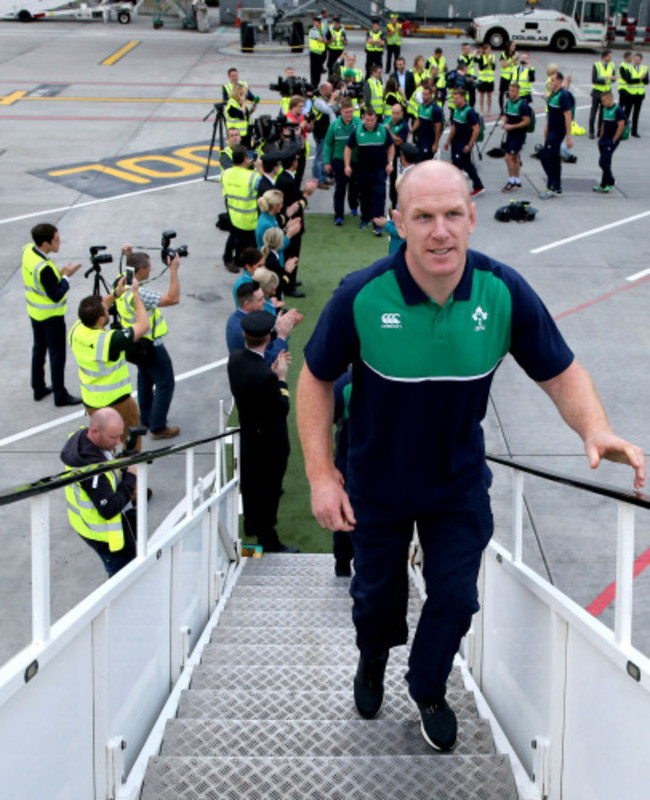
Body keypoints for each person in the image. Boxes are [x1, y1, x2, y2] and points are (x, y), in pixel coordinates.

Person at [296, 159, 645, 753]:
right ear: (399, 222)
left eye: (453, 215)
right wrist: (322, 474)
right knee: (376, 597)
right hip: (375, 484)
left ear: (472, 218)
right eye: (424, 217)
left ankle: (428, 686)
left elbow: (560, 371)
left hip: (456, 484)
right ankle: (372, 655)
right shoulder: (362, 296)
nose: (440, 231)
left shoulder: (501, 291)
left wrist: (596, 429)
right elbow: (314, 379)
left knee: (456, 597)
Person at [228, 310, 299, 554]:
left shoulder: (236, 359)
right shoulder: (265, 377)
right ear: (268, 337)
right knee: (269, 490)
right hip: (270, 443)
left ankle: (251, 523)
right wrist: (281, 378)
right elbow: (282, 409)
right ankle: (269, 540)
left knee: (251, 483)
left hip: (249, 435)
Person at [61, 407, 138, 578]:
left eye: (120, 435)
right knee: (123, 579)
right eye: (113, 437)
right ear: (95, 431)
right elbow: (108, 509)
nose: (118, 442)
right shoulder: (92, 471)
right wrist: (130, 476)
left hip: (87, 528)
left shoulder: (82, 440)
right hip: (107, 538)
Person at [69, 286, 149, 447]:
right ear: (100, 320)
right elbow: (143, 325)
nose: (109, 309)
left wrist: (115, 294)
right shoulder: (109, 341)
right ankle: (132, 470)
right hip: (118, 402)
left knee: (105, 442)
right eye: (106, 310)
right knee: (131, 441)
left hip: (92, 402)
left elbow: (97, 306)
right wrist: (135, 294)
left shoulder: (76, 329)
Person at [118, 248, 181, 440]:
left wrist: (128, 253)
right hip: (151, 344)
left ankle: (145, 418)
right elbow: (173, 299)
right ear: (140, 271)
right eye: (148, 268)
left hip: (134, 343)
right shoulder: (139, 295)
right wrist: (173, 270)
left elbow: (127, 266)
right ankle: (158, 425)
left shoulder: (122, 281)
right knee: (165, 383)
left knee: (145, 379)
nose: (151, 271)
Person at [22, 223, 83, 407]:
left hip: (35, 313)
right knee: (57, 355)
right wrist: (67, 276)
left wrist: (59, 273)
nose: (59, 242)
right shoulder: (44, 268)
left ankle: (38, 388)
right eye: (56, 240)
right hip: (51, 316)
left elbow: (43, 282)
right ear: (45, 243)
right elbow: (56, 294)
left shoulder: (28, 251)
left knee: (39, 349)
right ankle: (60, 395)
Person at [344, 107, 394, 236]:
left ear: (376, 119)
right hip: (363, 169)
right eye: (367, 120)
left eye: (372, 120)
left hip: (379, 170)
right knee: (364, 195)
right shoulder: (357, 131)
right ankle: (365, 218)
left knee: (379, 195)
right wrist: (347, 165)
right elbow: (348, 148)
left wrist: (390, 163)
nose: (369, 122)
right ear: (363, 118)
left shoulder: (383, 130)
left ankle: (378, 223)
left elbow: (391, 146)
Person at [226, 281, 301, 363]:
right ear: (247, 304)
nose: (264, 302)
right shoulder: (246, 330)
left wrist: (279, 325)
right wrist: (282, 337)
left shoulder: (234, 318)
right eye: (260, 299)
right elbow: (268, 360)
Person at [276, 150, 317, 296]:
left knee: (292, 252)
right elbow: (296, 204)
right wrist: (306, 194)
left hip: (289, 221)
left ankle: (291, 280)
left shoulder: (285, 178)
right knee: (292, 253)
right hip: (291, 223)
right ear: (294, 163)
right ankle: (289, 286)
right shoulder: (287, 181)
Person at [221, 145, 260, 268]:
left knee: (234, 239)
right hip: (250, 219)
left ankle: (229, 259)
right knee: (250, 246)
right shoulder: (254, 177)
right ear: (245, 159)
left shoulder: (225, 173)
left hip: (233, 214)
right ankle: (246, 264)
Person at [324, 99, 361, 225]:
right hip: (339, 161)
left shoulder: (358, 124)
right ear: (341, 112)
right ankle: (339, 215)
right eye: (346, 112)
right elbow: (328, 144)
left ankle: (354, 206)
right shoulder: (334, 126)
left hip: (355, 161)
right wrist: (327, 162)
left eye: (351, 112)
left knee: (354, 186)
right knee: (340, 187)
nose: (349, 115)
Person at [444, 88, 484, 197]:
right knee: (467, 165)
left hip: (464, 143)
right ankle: (478, 186)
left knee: (457, 166)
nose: (454, 100)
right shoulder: (456, 110)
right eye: (453, 98)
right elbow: (454, 127)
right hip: (455, 142)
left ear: (463, 98)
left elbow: (476, 129)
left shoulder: (469, 112)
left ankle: (457, 189)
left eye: (456, 98)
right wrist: (448, 141)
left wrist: (469, 144)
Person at [539, 70, 573, 199]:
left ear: (559, 81)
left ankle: (552, 185)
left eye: (553, 80)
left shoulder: (563, 96)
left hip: (558, 131)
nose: (551, 83)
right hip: (551, 129)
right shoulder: (554, 94)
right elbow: (551, 114)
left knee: (546, 157)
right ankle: (556, 186)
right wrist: (547, 129)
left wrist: (569, 137)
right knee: (554, 159)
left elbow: (568, 116)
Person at [500, 82, 531, 192]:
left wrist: (512, 126)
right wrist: (504, 122)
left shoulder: (522, 105)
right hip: (510, 133)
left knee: (508, 157)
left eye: (513, 91)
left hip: (519, 134)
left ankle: (511, 180)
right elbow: (505, 115)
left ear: (518, 91)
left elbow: (527, 121)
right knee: (515, 156)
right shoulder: (508, 103)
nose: (511, 93)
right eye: (510, 90)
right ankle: (517, 180)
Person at [593, 91, 626, 194]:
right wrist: (601, 136)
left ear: (609, 99)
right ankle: (604, 184)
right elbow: (604, 123)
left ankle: (610, 180)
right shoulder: (605, 109)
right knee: (606, 162)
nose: (602, 103)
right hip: (604, 139)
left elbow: (621, 125)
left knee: (603, 161)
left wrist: (614, 139)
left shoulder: (618, 110)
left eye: (603, 101)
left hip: (611, 140)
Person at [312, 82, 339, 188]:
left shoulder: (326, 100)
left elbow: (335, 109)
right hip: (321, 132)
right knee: (320, 156)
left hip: (326, 132)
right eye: (330, 90)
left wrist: (337, 101)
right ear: (323, 89)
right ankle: (318, 180)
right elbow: (328, 110)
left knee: (325, 156)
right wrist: (333, 98)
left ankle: (323, 177)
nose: (332, 92)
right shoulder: (318, 101)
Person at [385, 103, 410, 208]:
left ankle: (395, 203)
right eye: (393, 113)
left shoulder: (404, 126)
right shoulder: (387, 121)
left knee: (395, 179)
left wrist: (389, 131)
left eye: (397, 113)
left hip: (397, 156)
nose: (395, 115)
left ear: (402, 113)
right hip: (385, 153)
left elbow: (399, 141)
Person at [410, 84, 443, 162]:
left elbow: (438, 127)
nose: (423, 96)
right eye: (423, 94)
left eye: (426, 94)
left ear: (431, 95)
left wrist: (436, 143)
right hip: (420, 138)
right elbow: (418, 120)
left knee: (425, 162)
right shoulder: (421, 106)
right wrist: (411, 131)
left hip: (429, 141)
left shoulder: (435, 109)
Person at [589, 50, 617, 139]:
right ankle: (591, 132)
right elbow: (594, 79)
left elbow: (613, 79)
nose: (611, 58)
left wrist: (613, 79)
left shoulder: (612, 65)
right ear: (604, 57)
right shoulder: (597, 65)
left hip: (606, 93)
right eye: (609, 56)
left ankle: (600, 131)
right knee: (594, 112)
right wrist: (606, 78)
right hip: (597, 92)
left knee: (602, 113)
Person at [627, 52, 648, 137]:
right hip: (631, 93)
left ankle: (634, 131)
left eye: (638, 59)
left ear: (641, 60)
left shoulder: (645, 68)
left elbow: (646, 81)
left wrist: (642, 79)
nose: (636, 61)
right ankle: (624, 129)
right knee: (627, 112)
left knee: (636, 113)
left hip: (640, 94)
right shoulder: (630, 68)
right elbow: (629, 80)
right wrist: (639, 79)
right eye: (635, 59)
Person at [476, 43, 496, 117]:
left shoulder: (492, 57)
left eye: (490, 49)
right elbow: (481, 67)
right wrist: (488, 63)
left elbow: (494, 68)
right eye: (488, 49)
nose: (489, 50)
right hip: (482, 79)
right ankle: (481, 110)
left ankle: (489, 110)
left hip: (490, 79)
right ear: (484, 50)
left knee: (489, 95)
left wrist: (491, 63)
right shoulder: (481, 57)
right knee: (482, 96)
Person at [498, 42, 518, 113]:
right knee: (501, 93)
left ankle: (507, 108)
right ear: (509, 46)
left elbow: (516, 65)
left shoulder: (515, 54)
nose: (514, 47)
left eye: (515, 46)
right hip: (504, 77)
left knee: (508, 94)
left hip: (511, 77)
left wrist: (515, 60)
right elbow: (504, 65)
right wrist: (512, 60)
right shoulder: (503, 55)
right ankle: (501, 109)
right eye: (512, 45)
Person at [308, 17, 327, 87]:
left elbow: (324, 39)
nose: (315, 24)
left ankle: (316, 84)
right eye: (314, 22)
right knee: (314, 72)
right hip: (314, 53)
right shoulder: (313, 30)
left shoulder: (321, 31)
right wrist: (323, 39)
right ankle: (313, 85)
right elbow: (320, 39)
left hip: (320, 53)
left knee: (318, 72)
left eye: (316, 23)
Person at [618, 51, 634, 122]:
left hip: (629, 89)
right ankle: (620, 118)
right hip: (623, 88)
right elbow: (626, 78)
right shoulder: (622, 66)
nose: (632, 58)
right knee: (622, 104)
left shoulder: (630, 66)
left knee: (629, 105)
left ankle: (625, 117)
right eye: (630, 57)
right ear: (626, 58)